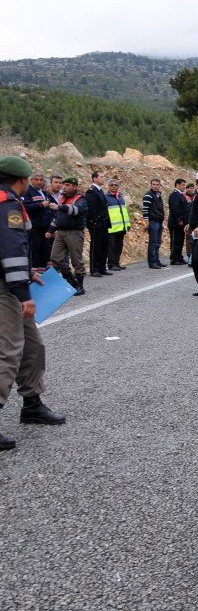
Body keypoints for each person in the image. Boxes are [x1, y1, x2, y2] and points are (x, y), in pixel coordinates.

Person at [0, 156, 67, 451]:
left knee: (33, 345)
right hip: (7, 290)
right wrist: (23, 293)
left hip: (11, 282)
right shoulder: (8, 204)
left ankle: (32, 404)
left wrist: (27, 272)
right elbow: (12, 248)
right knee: (8, 351)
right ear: (22, 180)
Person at [47, 176, 87, 296]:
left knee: (76, 260)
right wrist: (51, 229)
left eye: (68, 185)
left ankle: (80, 286)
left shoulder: (81, 199)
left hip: (74, 233)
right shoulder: (62, 199)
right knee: (55, 258)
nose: (64, 187)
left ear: (75, 187)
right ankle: (70, 279)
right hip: (61, 232)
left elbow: (76, 210)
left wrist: (59, 207)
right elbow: (58, 217)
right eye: (64, 185)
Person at [22, 171, 58, 270]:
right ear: (31, 181)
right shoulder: (28, 191)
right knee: (35, 251)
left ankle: (42, 275)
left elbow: (53, 206)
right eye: (36, 180)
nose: (39, 182)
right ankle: (33, 274)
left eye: (41, 180)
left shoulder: (44, 192)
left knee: (45, 252)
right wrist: (41, 205)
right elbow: (25, 207)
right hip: (35, 228)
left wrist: (49, 195)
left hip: (45, 228)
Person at [85, 170, 112, 277]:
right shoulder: (91, 191)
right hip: (97, 224)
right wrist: (95, 221)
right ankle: (94, 269)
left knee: (104, 246)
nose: (103, 178)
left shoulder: (100, 191)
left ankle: (101, 267)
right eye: (101, 177)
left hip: (104, 223)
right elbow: (91, 209)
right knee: (96, 246)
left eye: (103, 176)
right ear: (94, 178)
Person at [142, 178, 167, 269]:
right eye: (154, 184)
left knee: (157, 243)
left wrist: (162, 222)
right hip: (153, 221)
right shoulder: (148, 195)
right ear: (151, 185)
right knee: (153, 243)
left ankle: (157, 261)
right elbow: (145, 209)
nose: (156, 186)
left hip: (159, 221)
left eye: (157, 184)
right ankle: (152, 263)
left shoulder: (158, 195)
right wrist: (147, 222)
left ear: (160, 185)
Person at [105, 179, 130, 271]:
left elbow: (124, 212)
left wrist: (127, 224)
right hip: (111, 228)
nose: (114, 186)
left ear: (118, 187)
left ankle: (116, 263)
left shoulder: (121, 197)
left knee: (119, 247)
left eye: (116, 185)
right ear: (108, 186)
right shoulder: (105, 197)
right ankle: (111, 264)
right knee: (111, 247)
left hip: (121, 227)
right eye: (112, 185)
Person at [168, 178, 187, 265]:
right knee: (175, 241)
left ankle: (179, 257)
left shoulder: (181, 195)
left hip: (182, 224)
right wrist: (179, 220)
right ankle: (174, 258)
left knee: (180, 241)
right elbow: (175, 209)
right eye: (183, 185)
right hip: (175, 223)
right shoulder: (174, 195)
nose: (184, 187)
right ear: (177, 185)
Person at [183, 182, 195, 261]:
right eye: (190, 188)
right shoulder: (184, 197)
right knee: (189, 239)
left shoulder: (195, 196)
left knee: (194, 238)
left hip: (193, 220)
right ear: (187, 189)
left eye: (192, 188)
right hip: (187, 221)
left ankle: (194, 254)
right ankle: (189, 254)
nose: (191, 189)